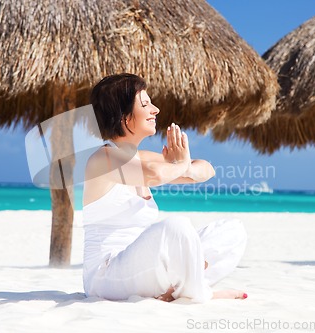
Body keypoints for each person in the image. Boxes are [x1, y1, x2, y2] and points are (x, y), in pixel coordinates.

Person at [82, 73, 247, 303]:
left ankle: (178, 289)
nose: (156, 109)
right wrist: (179, 165)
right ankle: (200, 292)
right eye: (145, 104)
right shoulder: (102, 159)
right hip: (106, 276)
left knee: (232, 231)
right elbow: (156, 175)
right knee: (176, 227)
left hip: (144, 269)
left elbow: (206, 170)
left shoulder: (141, 158)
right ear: (124, 117)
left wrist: (183, 165)